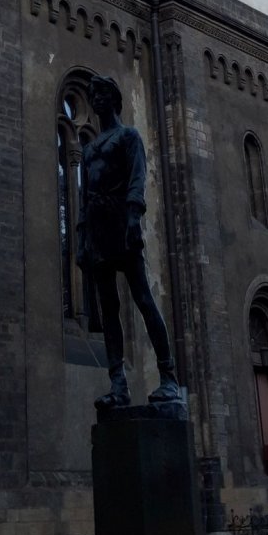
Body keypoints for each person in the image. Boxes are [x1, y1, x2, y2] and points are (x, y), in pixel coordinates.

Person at [76, 74, 183, 410]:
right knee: (109, 310)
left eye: (102, 93)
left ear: (115, 99)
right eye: (93, 94)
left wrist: (134, 218)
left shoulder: (129, 137)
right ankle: (118, 383)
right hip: (98, 229)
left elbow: (137, 178)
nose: (96, 99)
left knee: (142, 298)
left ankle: (168, 377)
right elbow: (83, 195)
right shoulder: (90, 147)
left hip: (123, 223)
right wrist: (81, 238)